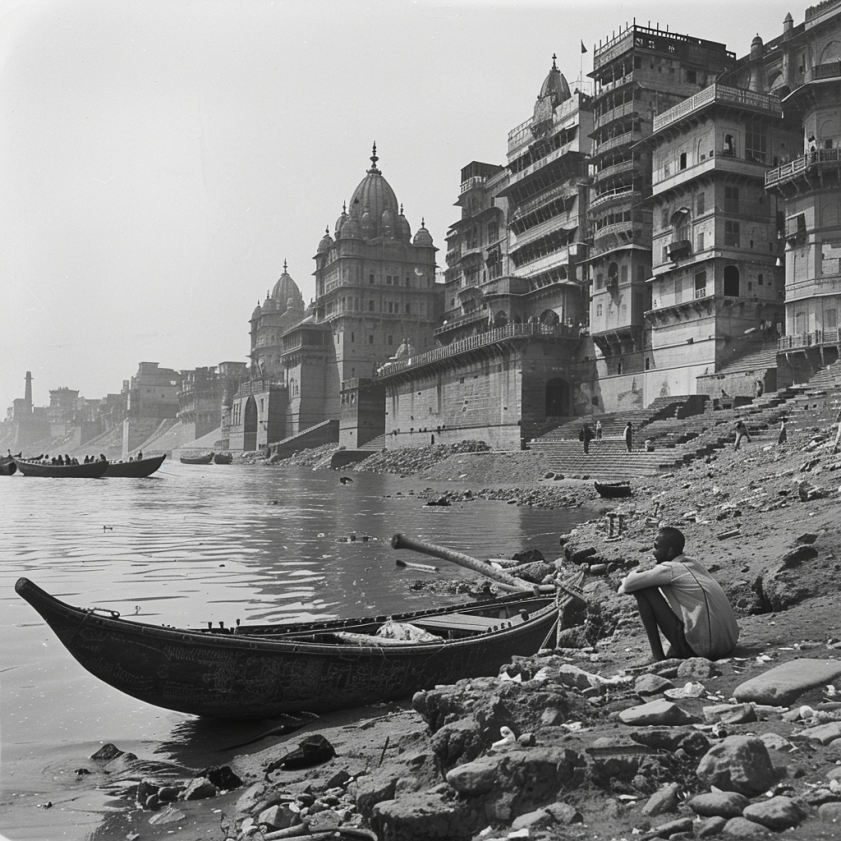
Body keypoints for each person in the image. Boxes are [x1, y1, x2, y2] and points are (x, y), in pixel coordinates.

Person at [617, 526, 739, 662]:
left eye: (656, 547)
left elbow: (628, 586)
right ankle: (670, 650)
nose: (653, 552)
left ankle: (657, 657)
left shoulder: (670, 569)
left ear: (669, 551)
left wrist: (630, 576)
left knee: (644, 589)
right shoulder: (692, 563)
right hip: (728, 643)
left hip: (705, 649)